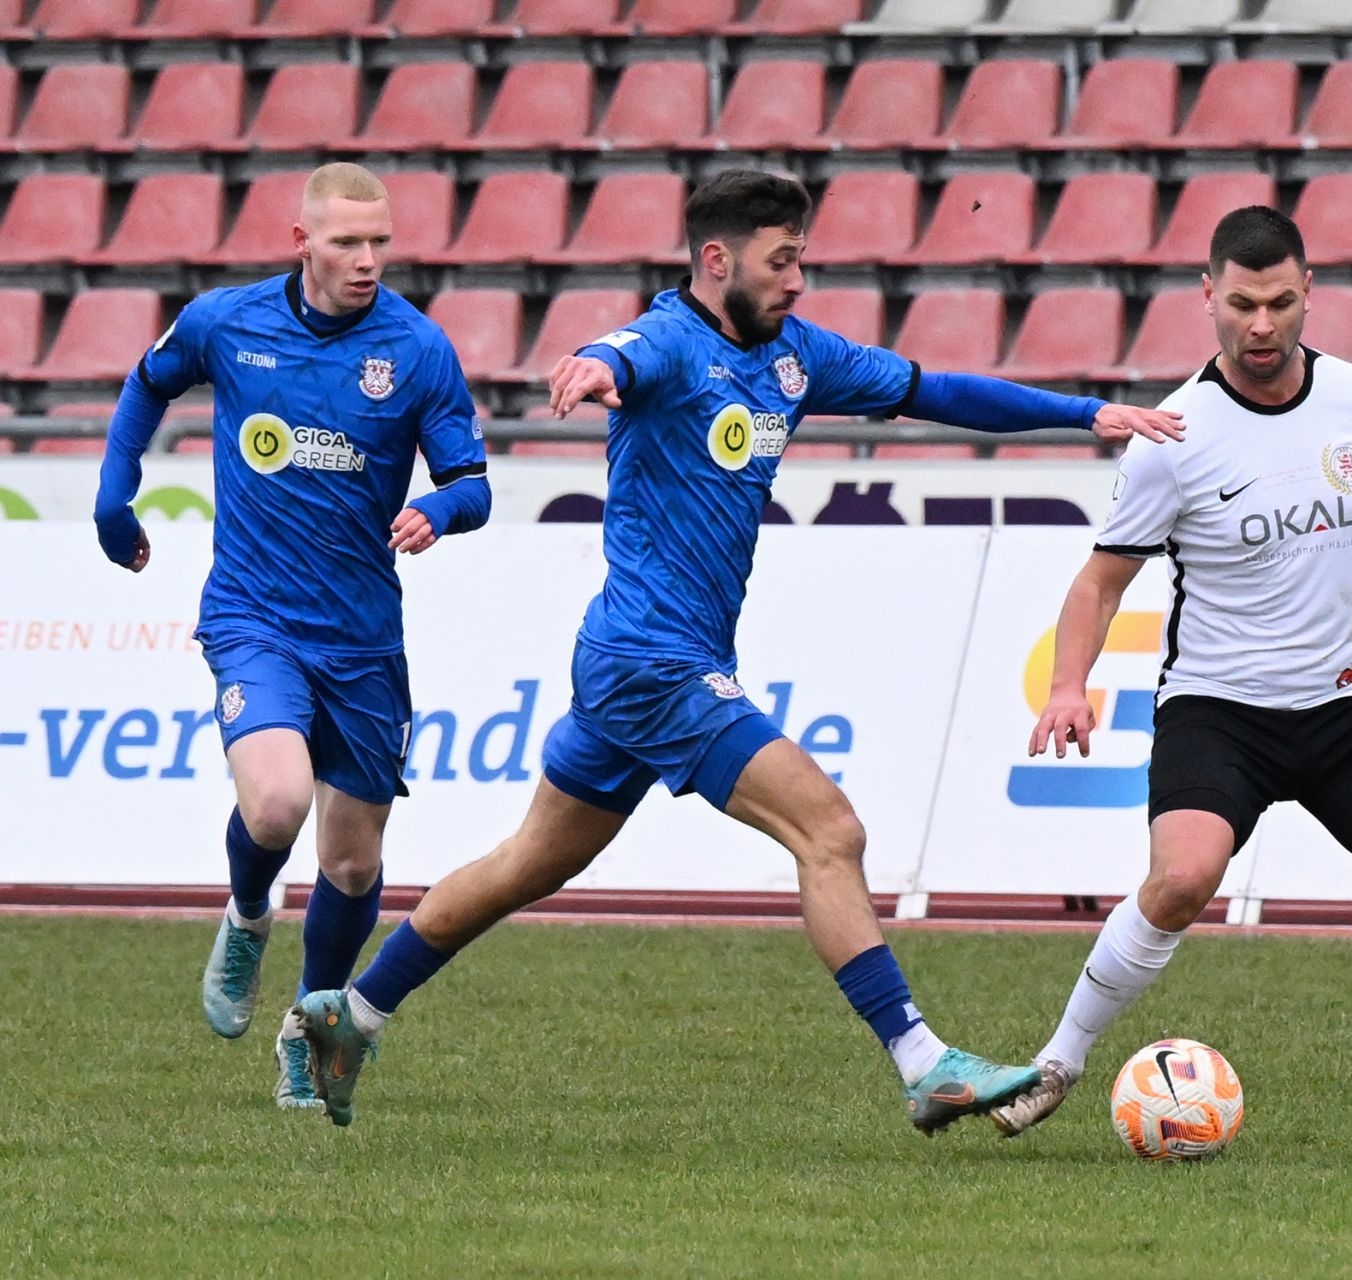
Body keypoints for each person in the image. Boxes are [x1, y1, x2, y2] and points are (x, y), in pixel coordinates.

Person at [293, 169, 1185, 1132]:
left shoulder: (797, 355)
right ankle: (923, 1063)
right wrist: (592, 365)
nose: (797, 279)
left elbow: (934, 391)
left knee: (526, 864)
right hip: (654, 665)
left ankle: (354, 1014)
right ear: (717, 261)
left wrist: (1084, 414)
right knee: (830, 832)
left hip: (629, 663)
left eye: (801, 258)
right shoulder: (670, 341)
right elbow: (622, 354)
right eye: (781, 261)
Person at [988, 206, 1352, 1159]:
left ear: (1309, 293)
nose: (1260, 325)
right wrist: (1067, 685)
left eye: (1278, 303)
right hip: (1218, 709)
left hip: (1350, 705)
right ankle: (1055, 1065)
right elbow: (1101, 581)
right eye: (1240, 305)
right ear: (1207, 298)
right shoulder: (1173, 436)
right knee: (1181, 879)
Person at [91, 163, 492, 1110]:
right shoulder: (227, 322)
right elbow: (147, 385)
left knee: (351, 862)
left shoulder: (417, 348)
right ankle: (245, 915)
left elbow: (472, 482)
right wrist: (114, 494)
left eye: (380, 241)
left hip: (362, 638)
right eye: (348, 242)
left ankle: (306, 1028)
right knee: (276, 806)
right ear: (302, 241)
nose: (367, 259)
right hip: (254, 616)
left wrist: (440, 510)